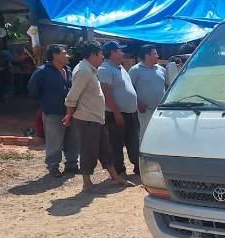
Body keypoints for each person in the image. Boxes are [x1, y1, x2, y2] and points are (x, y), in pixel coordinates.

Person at [63, 41, 131, 192]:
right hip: (86, 118)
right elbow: (71, 96)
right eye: (100, 54)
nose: (102, 57)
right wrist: (69, 115)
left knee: (105, 149)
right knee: (88, 150)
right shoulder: (84, 71)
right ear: (93, 55)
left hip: (96, 118)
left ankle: (115, 177)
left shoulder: (91, 69)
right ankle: (87, 183)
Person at [27, 44, 78, 177]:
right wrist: (46, 102)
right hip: (53, 112)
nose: (67, 56)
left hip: (70, 112)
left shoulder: (68, 69)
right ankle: (53, 166)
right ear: (55, 55)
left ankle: (72, 165)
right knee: (54, 140)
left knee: (72, 139)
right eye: (64, 53)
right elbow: (33, 90)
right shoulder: (42, 71)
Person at [98, 40, 140, 176]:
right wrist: (116, 113)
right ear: (112, 53)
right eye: (119, 50)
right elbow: (106, 92)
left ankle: (138, 166)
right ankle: (119, 171)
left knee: (133, 140)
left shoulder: (120, 68)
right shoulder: (104, 69)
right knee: (116, 144)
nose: (122, 53)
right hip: (116, 114)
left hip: (130, 113)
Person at [129, 44, 167, 141]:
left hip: (161, 110)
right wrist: (138, 103)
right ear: (147, 56)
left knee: (161, 134)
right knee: (145, 134)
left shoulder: (161, 70)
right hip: (145, 111)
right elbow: (129, 89)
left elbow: (167, 86)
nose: (157, 56)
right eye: (154, 53)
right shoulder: (135, 70)